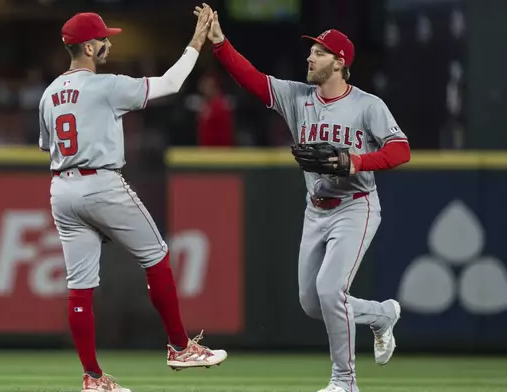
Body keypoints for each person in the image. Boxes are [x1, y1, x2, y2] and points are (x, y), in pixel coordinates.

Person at [195, 4, 411, 392]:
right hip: (316, 209)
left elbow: (401, 151)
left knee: (331, 293)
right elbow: (253, 80)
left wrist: (355, 160)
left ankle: (344, 382)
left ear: (340, 62)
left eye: (319, 52)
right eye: (311, 50)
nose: (310, 56)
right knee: (313, 304)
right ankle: (381, 315)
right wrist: (220, 44)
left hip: (356, 206)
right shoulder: (298, 98)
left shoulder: (367, 105)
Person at [38, 9, 227, 392]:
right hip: (101, 182)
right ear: (89, 47)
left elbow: (48, 146)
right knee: (156, 256)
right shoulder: (106, 85)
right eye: (103, 39)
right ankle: (179, 347)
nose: (108, 43)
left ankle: (92, 378)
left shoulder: (49, 93)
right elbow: (171, 84)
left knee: (79, 287)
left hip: (63, 188)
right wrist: (196, 42)